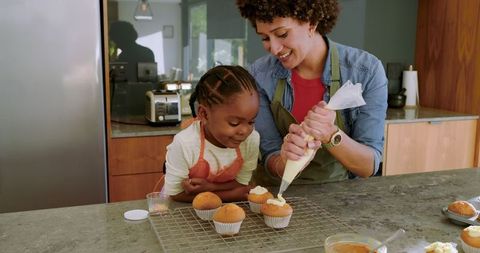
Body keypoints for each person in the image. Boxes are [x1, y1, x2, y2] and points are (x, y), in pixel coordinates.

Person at [236, 0, 388, 185]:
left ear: (311, 23)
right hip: (274, 194)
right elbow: (270, 156)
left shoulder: (365, 71)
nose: (274, 49)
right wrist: (285, 161)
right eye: (265, 38)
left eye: (282, 34)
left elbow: (368, 167)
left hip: (337, 194)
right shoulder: (259, 75)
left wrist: (330, 135)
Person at [163, 65, 260, 202]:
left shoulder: (251, 140)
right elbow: (176, 194)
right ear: (204, 114)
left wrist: (211, 187)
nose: (245, 131)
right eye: (234, 123)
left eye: (251, 122)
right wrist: (231, 195)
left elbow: (242, 183)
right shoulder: (185, 144)